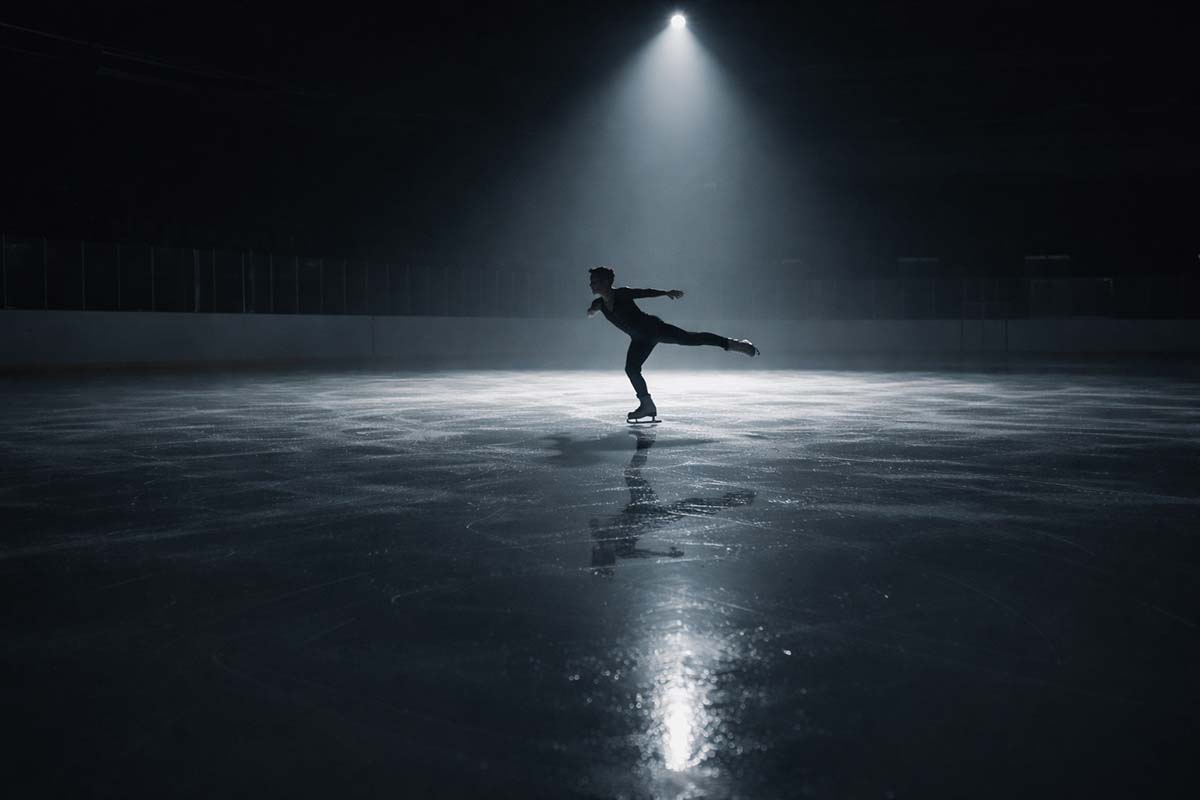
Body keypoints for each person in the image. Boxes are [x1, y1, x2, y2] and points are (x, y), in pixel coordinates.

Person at [587, 265, 759, 421]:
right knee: (631, 369)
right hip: (639, 339)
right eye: (591, 281)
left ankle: (736, 344)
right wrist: (592, 311)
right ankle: (647, 405)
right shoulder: (599, 303)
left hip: (654, 329)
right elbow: (594, 308)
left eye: (595, 281)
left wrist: (666, 293)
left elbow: (644, 292)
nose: (591, 285)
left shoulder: (622, 294)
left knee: (692, 338)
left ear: (607, 281)